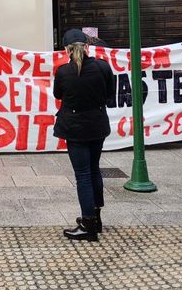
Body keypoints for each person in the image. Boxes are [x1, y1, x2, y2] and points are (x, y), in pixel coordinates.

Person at [53, 29, 115, 242]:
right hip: (97, 125)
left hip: (75, 128)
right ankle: (96, 219)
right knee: (94, 169)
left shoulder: (63, 72)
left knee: (83, 175)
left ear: (66, 49)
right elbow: (109, 94)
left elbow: (58, 94)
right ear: (87, 46)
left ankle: (88, 224)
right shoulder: (103, 67)